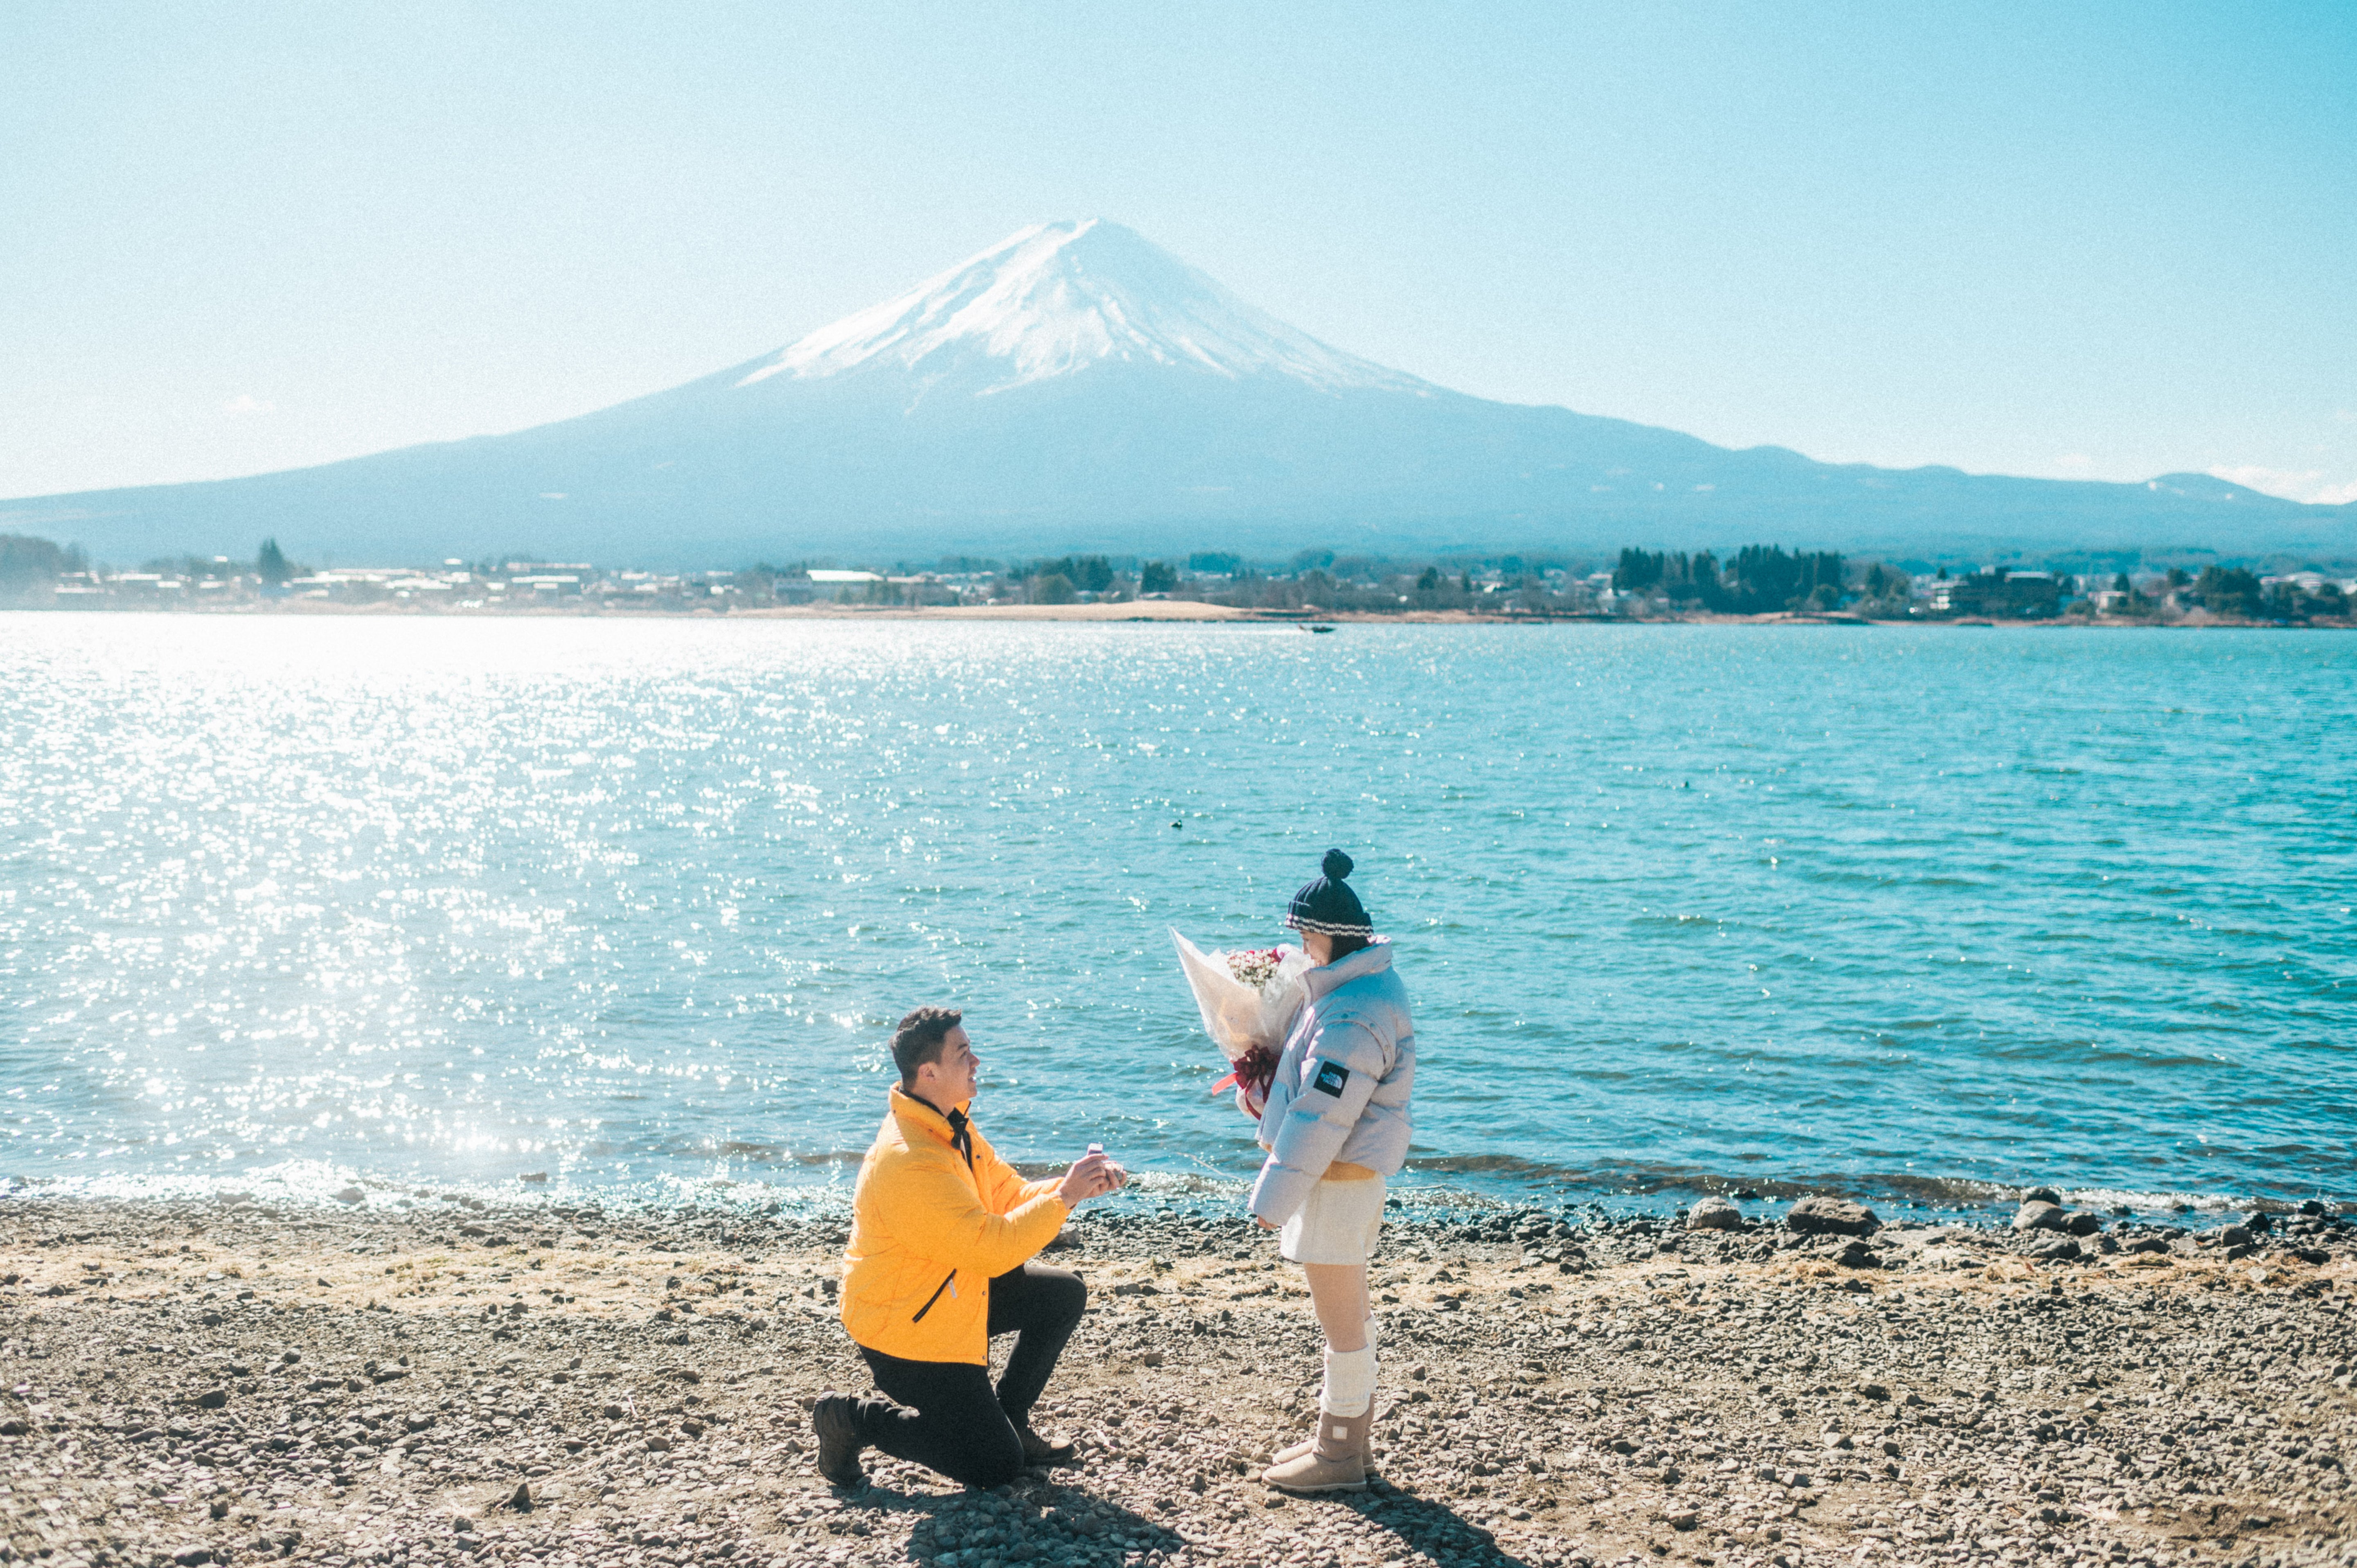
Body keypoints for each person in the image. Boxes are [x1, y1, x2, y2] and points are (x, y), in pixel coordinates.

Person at [813, 1006, 1126, 1490]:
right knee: (993, 1466)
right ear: (929, 1072)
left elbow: (1008, 1196)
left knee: (1063, 1295)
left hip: (948, 1295)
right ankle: (852, 1418)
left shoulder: (949, 1124)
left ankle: (1012, 1421)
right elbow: (993, 1249)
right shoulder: (911, 1160)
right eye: (964, 1053)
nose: (977, 1060)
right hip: (903, 1331)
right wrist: (1065, 1197)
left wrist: (1075, 1186)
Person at [1239, 848, 1414, 1493]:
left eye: (1304, 935)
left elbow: (1322, 1116)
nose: (1300, 948)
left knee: (1342, 1322)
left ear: (1327, 936)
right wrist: (1262, 1091)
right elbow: (1309, 1095)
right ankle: (1349, 1444)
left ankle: (1339, 1455)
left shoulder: (1353, 1012)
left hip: (1337, 1181)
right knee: (1350, 1315)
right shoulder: (1355, 994)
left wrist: (1271, 1201)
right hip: (1344, 1179)